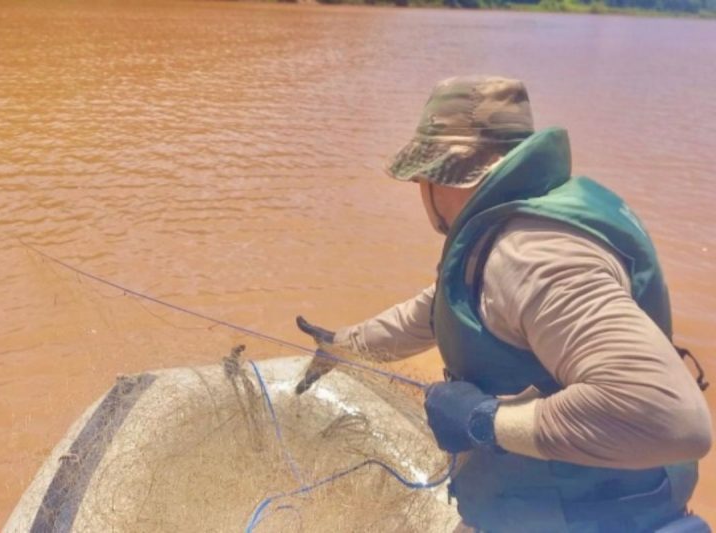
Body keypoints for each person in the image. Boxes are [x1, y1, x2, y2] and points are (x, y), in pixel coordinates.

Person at [295, 76, 712, 532]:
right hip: (599, 499)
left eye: (423, 176)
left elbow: (672, 421)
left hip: (587, 516)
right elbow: (438, 310)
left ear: (446, 176)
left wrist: (484, 422)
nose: (420, 191)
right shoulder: (517, 226)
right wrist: (344, 344)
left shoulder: (531, 256)